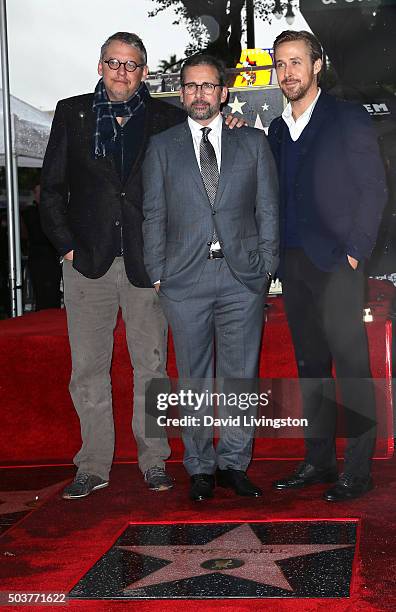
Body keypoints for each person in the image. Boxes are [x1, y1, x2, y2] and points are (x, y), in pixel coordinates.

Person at [40, 32, 243, 500]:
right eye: (113, 62)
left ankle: (154, 461)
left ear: (145, 72)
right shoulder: (71, 113)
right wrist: (66, 246)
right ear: (100, 66)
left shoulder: (168, 118)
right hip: (85, 262)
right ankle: (92, 465)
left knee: (150, 366)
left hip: (146, 264)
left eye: (131, 65)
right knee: (88, 368)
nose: (121, 72)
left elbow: (201, 158)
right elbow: (50, 191)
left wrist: (227, 119)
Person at [142, 54, 279, 502]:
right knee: (193, 380)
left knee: (240, 376)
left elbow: (268, 209)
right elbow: (153, 214)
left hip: (242, 279)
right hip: (184, 282)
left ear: (223, 92)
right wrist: (159, 274)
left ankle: (234, 465)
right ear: (182, 92)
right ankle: (200, 467)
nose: (199, 94)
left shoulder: (253, 143)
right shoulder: (162, 147)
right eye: (190, 86)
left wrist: (266, 267)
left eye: (208, 86)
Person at [267, 30, 387, 501]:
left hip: (338, 263)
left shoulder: (346, 117)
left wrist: (355, 252)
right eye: (280, 64)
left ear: (317, 65)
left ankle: (357, 470)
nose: (287, 72)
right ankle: (318, 461)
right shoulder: (277, 130)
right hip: (292, 265)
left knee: (352, 365)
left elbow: (373, 188)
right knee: (310, 366)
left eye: (296, 62)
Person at [23, 184, 62, 310]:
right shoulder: (30, 212)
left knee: (53, 293)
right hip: (38, 257)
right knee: (41, 294)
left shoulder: (51, 210)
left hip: (51, 258)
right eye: (38, 192)